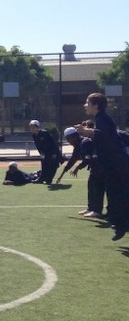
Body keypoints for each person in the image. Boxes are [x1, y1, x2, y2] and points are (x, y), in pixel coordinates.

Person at [75, 93, 129, 240]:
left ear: (96, 106)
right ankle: (120, 224)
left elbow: (103, 135)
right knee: (115, 195)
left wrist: (86, 131)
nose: (85, 105)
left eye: (88, 102)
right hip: (112, 164)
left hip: (117, 164)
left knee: (118, 195)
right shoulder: (100, 118)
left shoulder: (103, 118)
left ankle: (121, 225)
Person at [56, 126, 104, 218]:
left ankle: (97, 211)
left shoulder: (86, 142)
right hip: (95, 168)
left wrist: (78, 168)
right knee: (91, 187)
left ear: (74, 137)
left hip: (101, 167)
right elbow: (72, 160)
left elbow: (88, 159)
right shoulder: (78, 145)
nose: (68, 142)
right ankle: (91, 208)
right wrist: (61, 175)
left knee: (98, 189)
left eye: (68, 139)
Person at [28, 119, 62, 185]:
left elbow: (53, 143)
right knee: (44, 165)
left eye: (33, 127)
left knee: (52, 166)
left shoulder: (45, 133)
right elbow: (38, 146)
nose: (32, 129)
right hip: (44, 153)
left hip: (52, 153)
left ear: (37, 127)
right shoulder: (34, 135)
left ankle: (49, 179)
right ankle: (41, 178)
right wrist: (41, 154)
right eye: (31, 127)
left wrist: (54, 153)